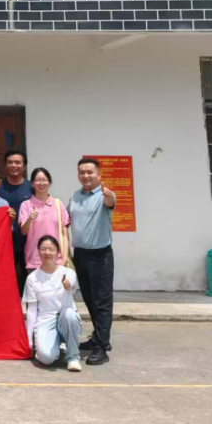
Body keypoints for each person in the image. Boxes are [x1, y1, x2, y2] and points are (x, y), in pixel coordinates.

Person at [68, 157, 117, 366]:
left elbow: (111, 202)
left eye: (90, 172)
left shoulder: (105, 194)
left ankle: (101, 348)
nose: (86, 176)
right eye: (82, 172)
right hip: (80, 254)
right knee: (89, 299)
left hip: (100, 256)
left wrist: (108, 196)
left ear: (98, 175)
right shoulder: (75, 196)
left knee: (101, 302)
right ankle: (98, 337)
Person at [23, 235, 82, 373]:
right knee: (47, 358)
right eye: (43, 249)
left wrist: (68, 284)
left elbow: (71, 282)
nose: (47, 252)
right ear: (38, 251)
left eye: (51, 249)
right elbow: (32, 310)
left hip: (65, 319)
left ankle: (73, 357)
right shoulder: (32, 278)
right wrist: (28, 338)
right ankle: (56, 345)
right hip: (45, 321)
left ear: (58, 252)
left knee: (69, 315)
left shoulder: (68, 272)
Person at [19, 167, 72, 272]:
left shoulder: (58, 204)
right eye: (37, 180)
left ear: (50, 182)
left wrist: (64, 258)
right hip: (34, 260)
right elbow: (23, 231)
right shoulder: (26, 205)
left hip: (57, 260)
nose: (41, 183)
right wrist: (30, 219)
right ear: (32, 183)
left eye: (44, 180)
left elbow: (64, 234)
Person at [0, 149, 34, 295]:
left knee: (29, 280)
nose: (14, 165)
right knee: (5, 280)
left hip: (28, 241)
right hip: (4, 242)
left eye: (17, 162)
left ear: (24, 166)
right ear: (5, 165)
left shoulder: (31, 187)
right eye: (10, 162)